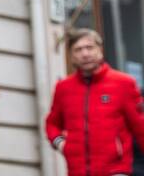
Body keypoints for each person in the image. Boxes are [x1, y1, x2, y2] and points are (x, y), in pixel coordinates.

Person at [46, 29, 144, 176]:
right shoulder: (63, 88)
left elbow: (140, 127)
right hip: (76, 172)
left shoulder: (124, 83)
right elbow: (52, 123)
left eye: (90, 47)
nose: (85, 54)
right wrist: (61, 144)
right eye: (78, 49)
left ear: (100, 50)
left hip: (117, 171)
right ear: (71, 56)